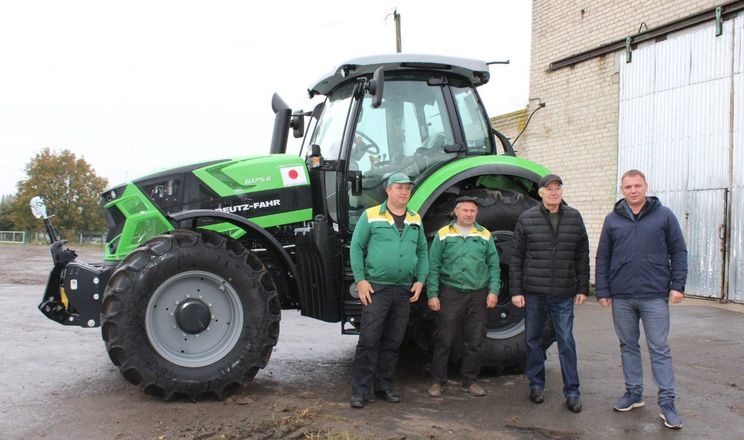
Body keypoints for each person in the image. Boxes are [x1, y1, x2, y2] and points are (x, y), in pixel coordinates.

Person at [595, 169, 688, 430]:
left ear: (646, 186)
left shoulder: (664, 215)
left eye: (637, 185)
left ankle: (667, 403)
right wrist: (602, 290)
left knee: (659, 348)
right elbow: (603, 257)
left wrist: (677, 285)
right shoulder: (613, 220)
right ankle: (633, 393)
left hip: (654, 295)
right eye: (628, 187)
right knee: (628, 345)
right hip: (622, 295)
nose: (633, 190)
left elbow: (678, 251)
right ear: (622, 189)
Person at [510, 174, 589, 413]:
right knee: (533, 339)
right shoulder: (527, 218)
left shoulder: (574, 218)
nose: (554, 192)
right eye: (549, 189)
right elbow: (517, 258)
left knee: (566, 340)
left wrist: (583, 287)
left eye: (558, 188)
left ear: (562, 192)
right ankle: (536, 384)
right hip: (534, 292)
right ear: (540, 193)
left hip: (564, 292)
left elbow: (581, 255)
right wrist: (516, 291)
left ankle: (572, 391)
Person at [349, 172, 429, 409]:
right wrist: (361, 280)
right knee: (369, 340)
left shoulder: (415, 219)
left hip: (403, 290)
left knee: (393, 341)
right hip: (377, 289)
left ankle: (384, 388)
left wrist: (420, 280)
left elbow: (423, 251)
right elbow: (356, 247)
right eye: (399, 188)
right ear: (388, 190)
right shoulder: (371, 216)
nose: (404, 192)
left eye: (407, 188)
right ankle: (360, 391)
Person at [425, 195, 500, 398]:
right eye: (465, 210)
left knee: (475, 340)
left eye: (472, 211)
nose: (469, 214)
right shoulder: (443, 234)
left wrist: (493, 291)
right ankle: (437, 381)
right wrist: (432, 294)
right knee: (444, 339)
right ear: (456, 212)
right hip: (451, 293)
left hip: (478, 294)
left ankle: (470, 381)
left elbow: (494, 266)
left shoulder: (484, 235)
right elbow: (433, 267)